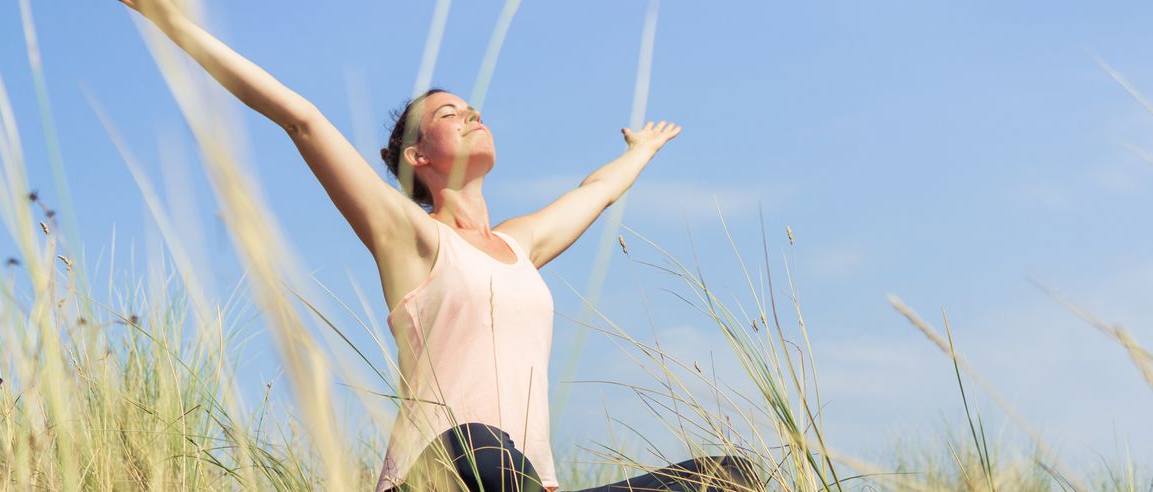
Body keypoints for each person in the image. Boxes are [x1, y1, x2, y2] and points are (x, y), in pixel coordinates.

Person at [117, 1, 763, 491]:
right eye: (450, 115)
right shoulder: (411, 238)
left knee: (732, 474)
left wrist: (640, 152)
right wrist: (170, 21)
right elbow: (302, 119)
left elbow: (596, 191)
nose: (471, 115)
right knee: (481, 444)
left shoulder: (521, 244)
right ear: (417, 156)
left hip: (526, 480)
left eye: (473, 108)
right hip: (439, 474)